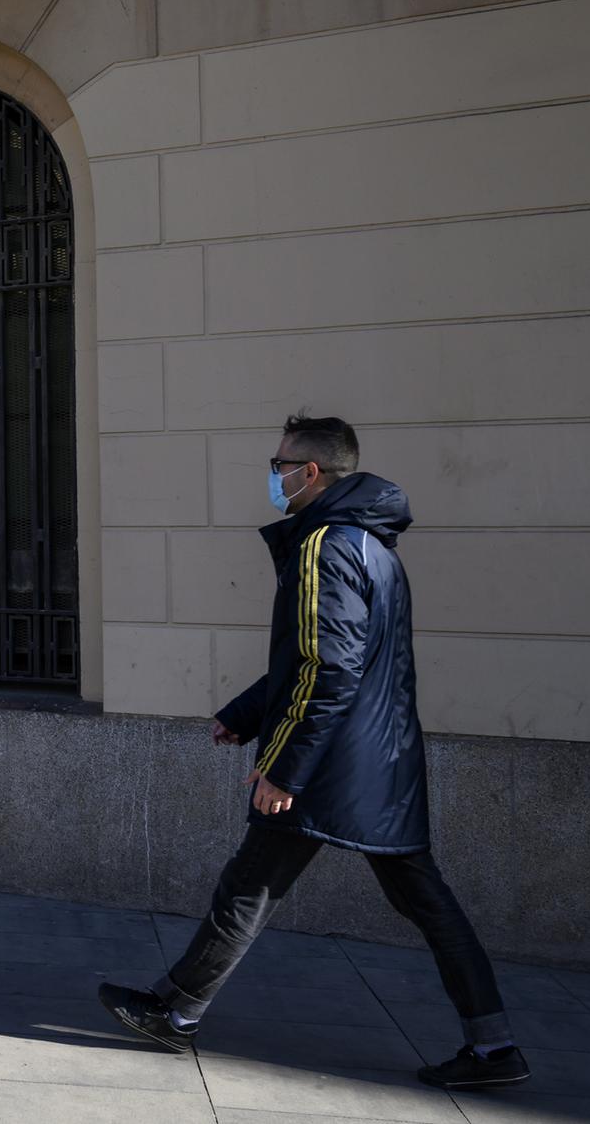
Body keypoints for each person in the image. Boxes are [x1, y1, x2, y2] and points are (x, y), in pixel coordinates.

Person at [97, 413, 529, 1091]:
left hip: (329, 764)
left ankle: (177, 1013)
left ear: (313, 472)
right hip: (382, 760)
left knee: (250, 884)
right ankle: (494, 1044)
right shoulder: (372, 546)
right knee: (427, 902)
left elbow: (330, 669)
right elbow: (319, 657)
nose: (274, 476)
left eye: (280, 464)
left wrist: (284, 768)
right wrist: (244, 715)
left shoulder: (323, 546)